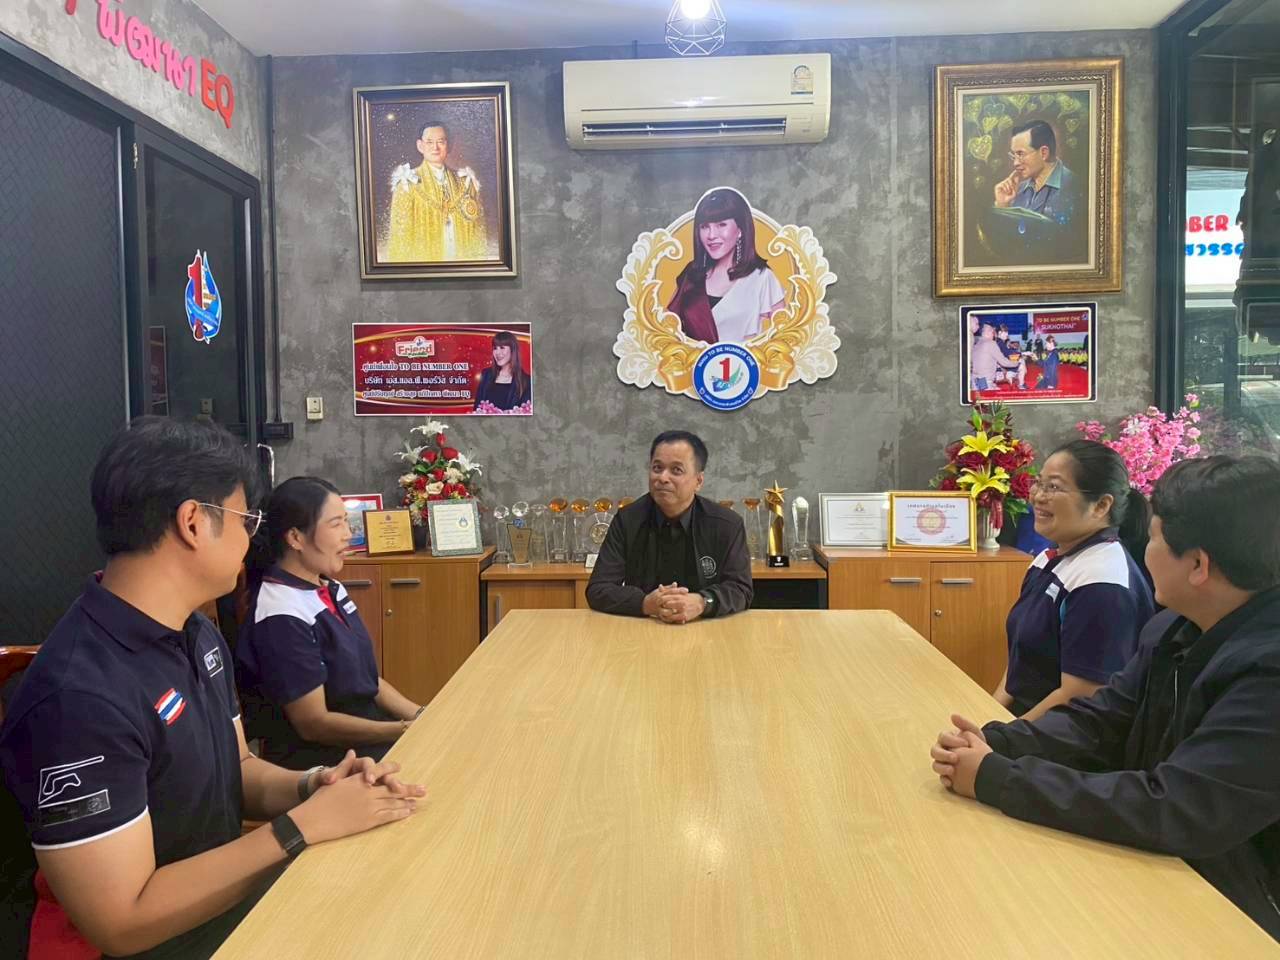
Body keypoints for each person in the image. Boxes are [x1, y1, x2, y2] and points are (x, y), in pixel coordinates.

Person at [0, 418, 424, 959]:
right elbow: (121, 922)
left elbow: (237, 767)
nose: (252, 540)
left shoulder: (197, 633)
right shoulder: (78, 696)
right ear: (193, 523)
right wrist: (300, 828)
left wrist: (315, 786)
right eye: (247, 520)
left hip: (224, 912)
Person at [930, 456, 1280, 944]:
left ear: (1199, 565)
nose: (1144, 551)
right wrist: (1000, 742)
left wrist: (999, 779)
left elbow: (1179, 807)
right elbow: (1101, 720)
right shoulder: (1174, 627)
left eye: (1153, 539)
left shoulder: (1268, 673)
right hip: (1162, 867)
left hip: (1235, 912)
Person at [236, 477, 425, 770]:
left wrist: (421, 715)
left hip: (370, 738)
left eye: (347, 522)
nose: (348, 534)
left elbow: (367, 680)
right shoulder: (280, 613)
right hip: (327, 763)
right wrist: (401, 730)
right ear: (295, 538)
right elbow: (314, 724)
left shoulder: (329, 587)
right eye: (336, 524)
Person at [992, 440, 1155, 722]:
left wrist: (1001, 736)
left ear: (1101, 505)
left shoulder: (1103, 582)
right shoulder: (1049, 558)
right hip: (1022, 726)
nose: (1038, 496)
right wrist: (990, 716)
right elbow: (1021, 659)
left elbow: (1079, 695)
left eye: (1054, 487)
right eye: (1038, 483)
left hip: (1060, 737)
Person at [586, 430, 752, 623]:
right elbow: (598, 589)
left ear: (698, 481)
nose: (663, 478)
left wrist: (702, 602)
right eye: (657, 468)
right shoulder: (627, 520)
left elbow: (741, 589)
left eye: (676, 470)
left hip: (705, 628)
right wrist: (645, 603)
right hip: (644, 628)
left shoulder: (726, 524)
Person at [667, 188, 786, 344]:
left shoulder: (762, 277)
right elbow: (666, 329)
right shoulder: (691, 275)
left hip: (744, 360)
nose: (711, 235)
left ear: (740, 230)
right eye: (704, 226)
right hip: (693, 360)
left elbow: (784, 338)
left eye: (721, 224)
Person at [387, 121, 488, 262]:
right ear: (420, 146)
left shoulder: (465, 182)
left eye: (441, 142)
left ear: (449, 145)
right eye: (429, 142)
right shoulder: (407, 184)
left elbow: (478, 233)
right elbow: (400, 239)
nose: (435, 147)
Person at [993, 119, 1077, 225]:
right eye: (1014, 155)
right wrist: (1002, 205)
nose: (1015, 163)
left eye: (1020, 154)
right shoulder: (1016, 191)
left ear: (1044, 153)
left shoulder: (1074, 187)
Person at [473, 330, 531, 412]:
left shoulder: (526, 381)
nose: (497, 352)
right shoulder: (486, 375)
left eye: (502, 348)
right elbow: (477, 409)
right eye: (495, 348)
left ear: (512, 350)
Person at [970, 323, 1022, 394]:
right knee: (995, 397)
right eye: (993, 332)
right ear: (988, 332)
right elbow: (1004, 362)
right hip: (984, 381)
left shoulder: (977, 344)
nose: (994, 335)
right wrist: (1017, 363)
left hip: (975, 380)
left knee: (995, 390)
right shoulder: (991, 343)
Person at [994, 324, 1027, 389]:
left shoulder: (998, 341)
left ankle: (1019, 381)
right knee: (1021, 366)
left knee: (1021, 361)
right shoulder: (1000, 342)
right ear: (1000, 333)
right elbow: (1008, 353)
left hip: (1000, 365)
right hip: (1000, 368)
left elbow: (1007, 353)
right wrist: (1023, 353)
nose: (1007, 334)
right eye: (1005, 332)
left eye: (1007, 332)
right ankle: (1021, 384)